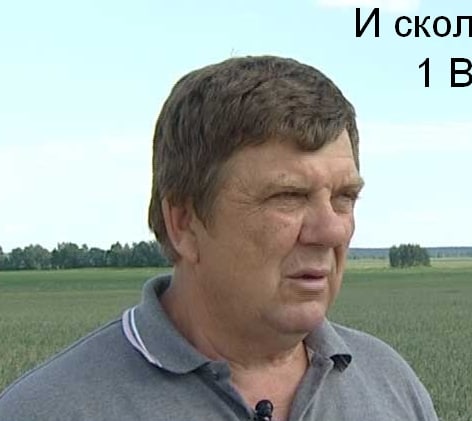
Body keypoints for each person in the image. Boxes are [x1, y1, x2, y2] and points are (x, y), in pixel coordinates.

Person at [0, 55, 439, 420]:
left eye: (344, 198)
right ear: (184, 223)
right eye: (288, 196)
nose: (332, 230)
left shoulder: (389, 385)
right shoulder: (48, 410)